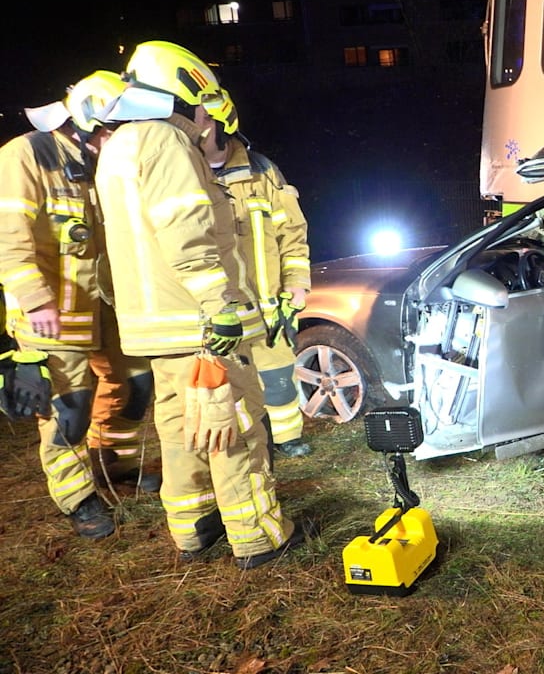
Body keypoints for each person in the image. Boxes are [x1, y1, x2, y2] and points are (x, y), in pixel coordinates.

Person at [95, 40, 306, 568]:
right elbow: (187, 231)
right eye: (200, 104)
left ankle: (194, 528)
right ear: (181, 94)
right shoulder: (167, 141)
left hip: (153, 327)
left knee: (180, 429)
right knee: (231, 426)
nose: (203, 117)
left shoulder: (119, 146)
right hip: (194, 321)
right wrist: (219, 304)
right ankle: (259, 537)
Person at [0, 70, 158, 539]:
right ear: (89, 124)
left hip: (107, 305)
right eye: (117, 129)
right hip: (50, 314)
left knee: (137, 385)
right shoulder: (25, 154)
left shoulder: (98, 164)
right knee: (68, 410)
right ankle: (78, 498)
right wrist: (33, 302)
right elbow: (9, 238)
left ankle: (116, 463)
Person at [199, 89, 313, 459]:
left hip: (268, 309)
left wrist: (296, 284)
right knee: (229, 390)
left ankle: (288, 438)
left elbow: (292, 232)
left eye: (201, 121)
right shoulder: (184, 172)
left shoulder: (261, 171)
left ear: (219, 125)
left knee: (279, 378)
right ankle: (242, 447)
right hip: (222, 310)